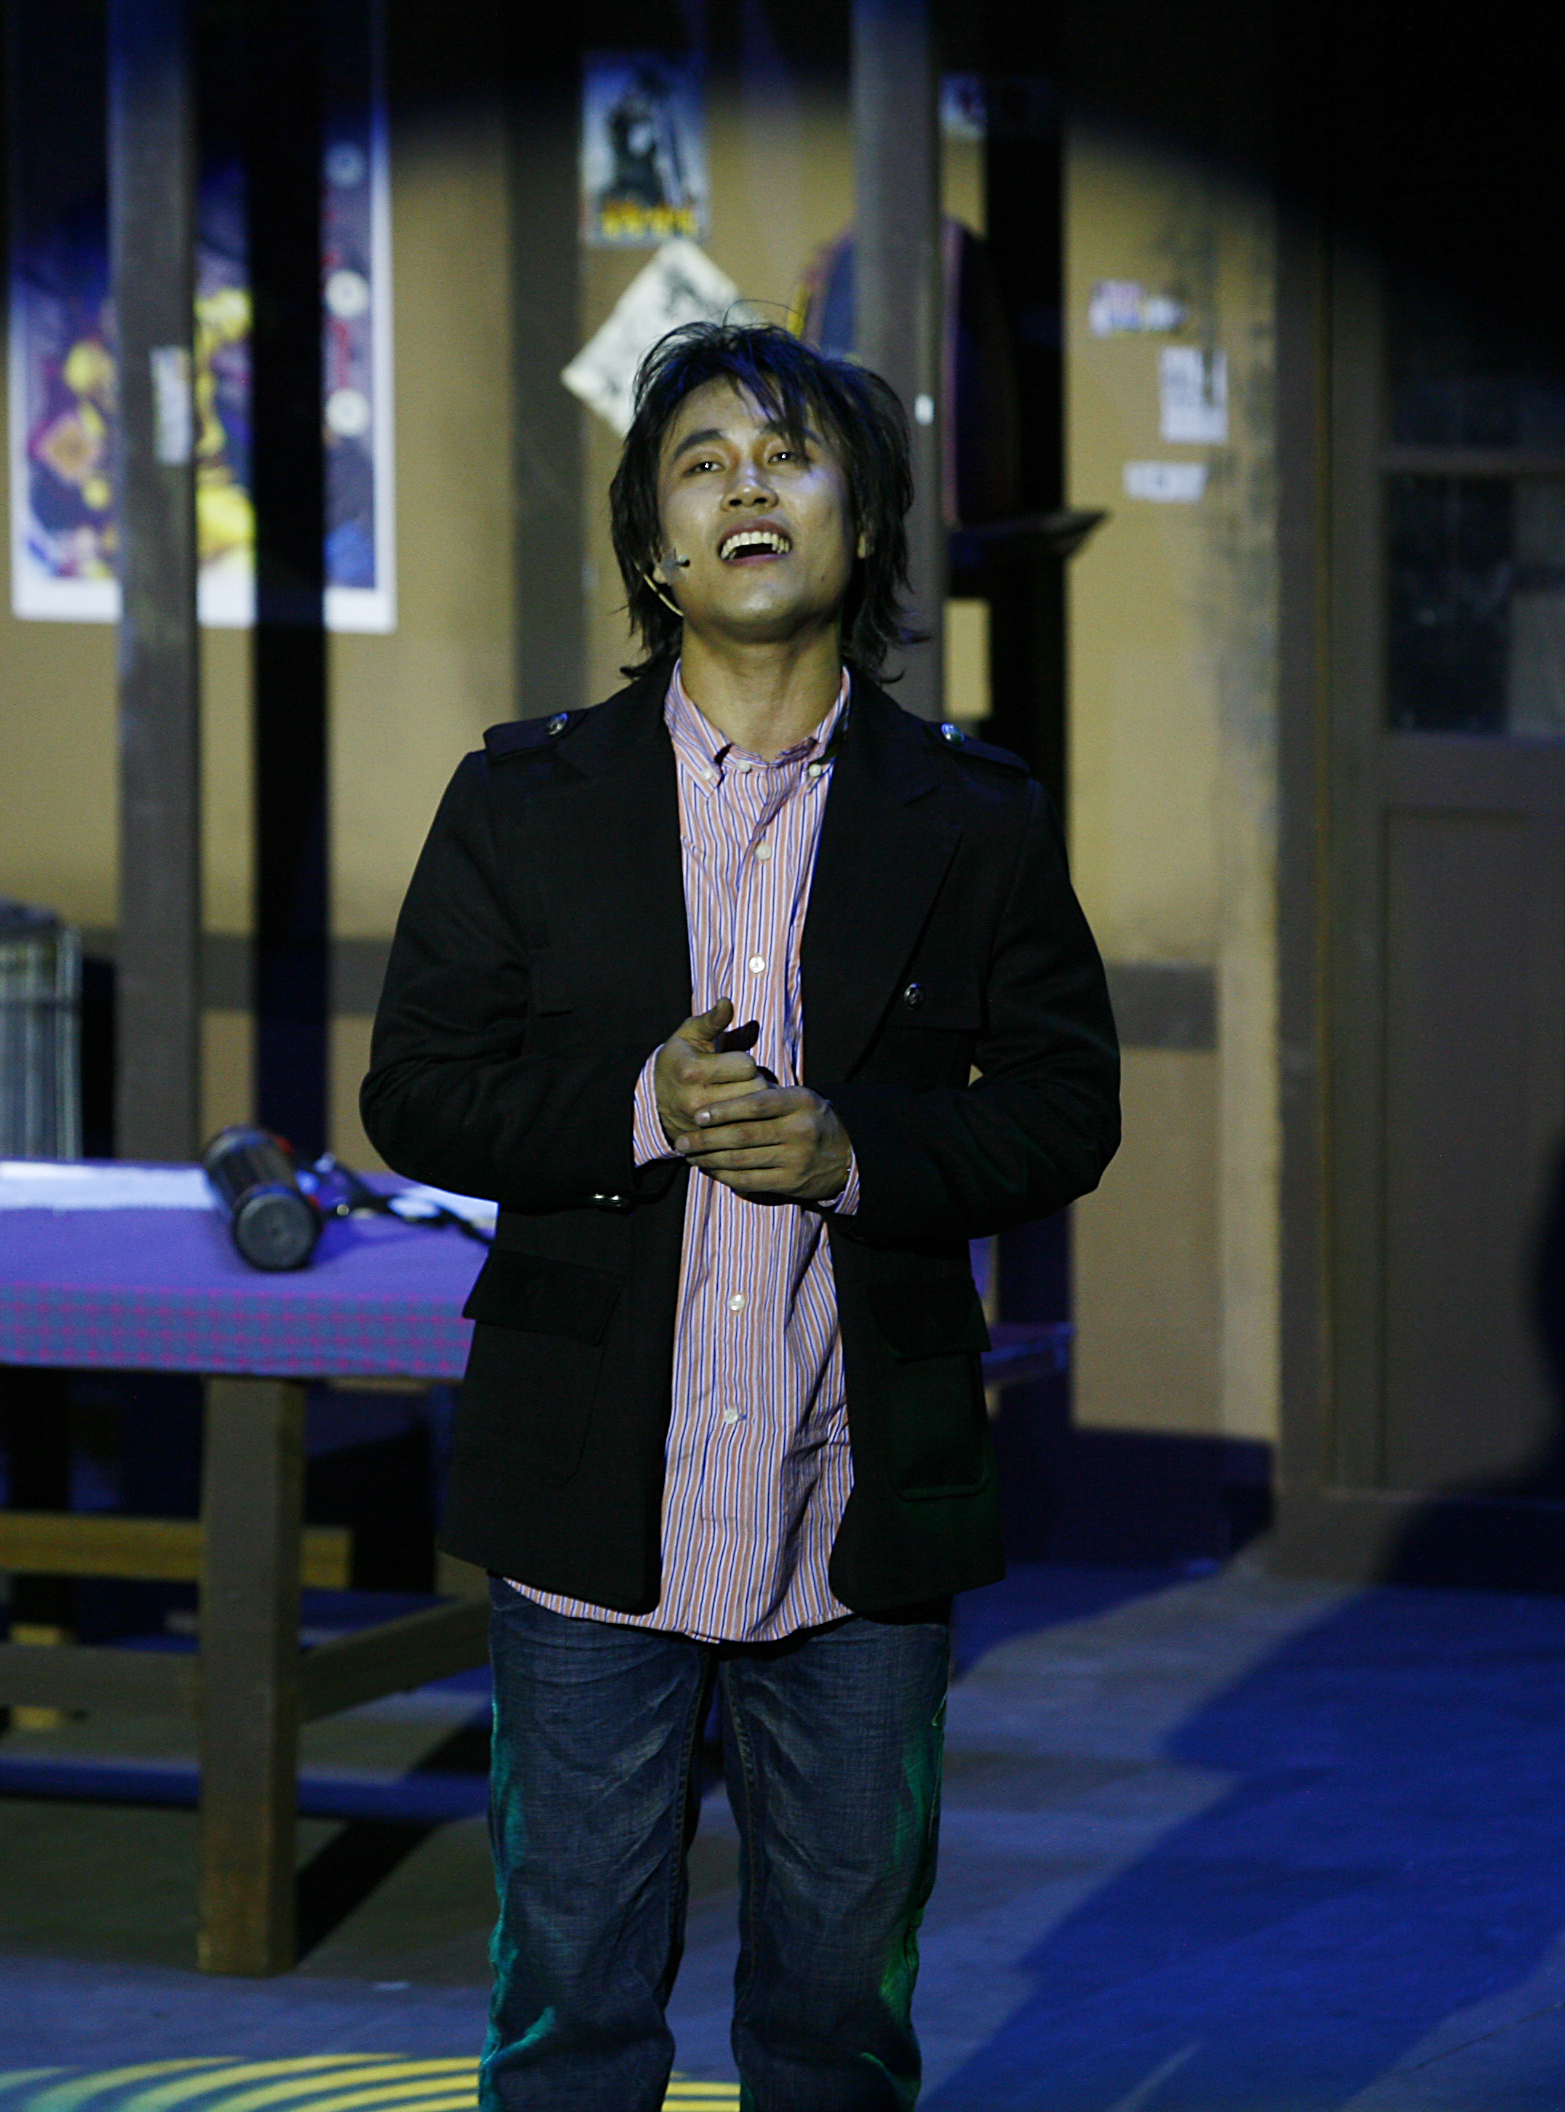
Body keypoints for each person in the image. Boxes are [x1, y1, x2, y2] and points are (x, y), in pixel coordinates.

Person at [362, 320, 1120, 2108]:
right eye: (701, 464)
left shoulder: (975, 816)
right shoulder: (524, 800)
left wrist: (859, 1156)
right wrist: (643, 1105)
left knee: (839, 2015)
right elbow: (417, 1092)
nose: (746, 487)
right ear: (656, 549)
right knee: (568, 2005)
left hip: (860, 1504)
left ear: (865, 527)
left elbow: (1068, 1105)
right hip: (587, 1498)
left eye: (789, 456)